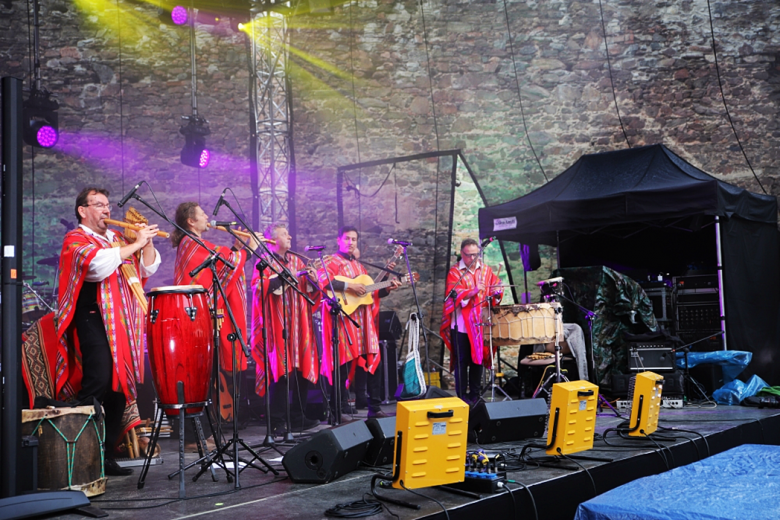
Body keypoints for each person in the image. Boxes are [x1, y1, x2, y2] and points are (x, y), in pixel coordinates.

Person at [56, 187, 161, 476]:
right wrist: (135, 243)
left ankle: (104, 455)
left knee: (119, 389)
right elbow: (97, 267)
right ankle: (79, 454)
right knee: (98, 381)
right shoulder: (75, 239)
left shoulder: (116, 239)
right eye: (99, 205)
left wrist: (146, 242)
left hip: (120, 322)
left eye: (107, 205)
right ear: (83, 210)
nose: (107, 210)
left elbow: (147, 267)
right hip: (91, 318)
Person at [319, 226, 400, 419]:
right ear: (339, 240)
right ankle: (336, 411)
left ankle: (374, 408)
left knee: (375, 364)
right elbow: (325, 282)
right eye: (347, 238)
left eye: (354, 239)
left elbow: (369, 293)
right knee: (342, 366)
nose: (350, 242)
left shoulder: (359, 266)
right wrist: (350, 285)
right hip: (344, 322)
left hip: (363, 323)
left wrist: (387, 288)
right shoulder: (332, 261)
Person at [172, 202, 257, 379]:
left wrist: (237, 249)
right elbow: (222, 259)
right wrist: (252, 248)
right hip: (196, 313)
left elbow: (219, 265)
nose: (207, 218)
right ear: (191, 221)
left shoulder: (191, 242)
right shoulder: (191, 242)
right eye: (202, 214)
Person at [251, 222, 321, 436]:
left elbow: (310, 295)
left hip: (299, 325)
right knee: (280, 372)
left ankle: (298, 417)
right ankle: (277, 421)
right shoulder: (264, 262)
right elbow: (257, 289)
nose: (290, 236)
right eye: (284, 233)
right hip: (277, 326)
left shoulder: (298, 261)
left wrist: (314, 281)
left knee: (301, 370)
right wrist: (282, 278)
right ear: (273, 240)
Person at [440, 238, 503, 404]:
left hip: (479, 324)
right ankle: (461, 397)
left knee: (478, 359)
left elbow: (495, 287)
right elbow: (453, 294)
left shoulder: (486, 270)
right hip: (460, 325)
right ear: (462, 254)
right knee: (462, 362)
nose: (473, 259)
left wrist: (497, 291)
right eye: (469, 255)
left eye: (476, 255)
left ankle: (475, 395)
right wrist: (473, 291)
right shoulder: (455, 272)